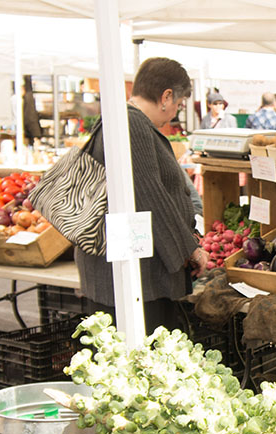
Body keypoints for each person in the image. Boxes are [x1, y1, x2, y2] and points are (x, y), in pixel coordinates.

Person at [77, 57, 209, 333]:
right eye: (178, 104)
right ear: (166, 96)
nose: (174, 112)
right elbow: (151, 196)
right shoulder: (131, 125)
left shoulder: (124, 121)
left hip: (132, 271)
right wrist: (190, 249)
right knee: (141, 357)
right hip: (133, 277)